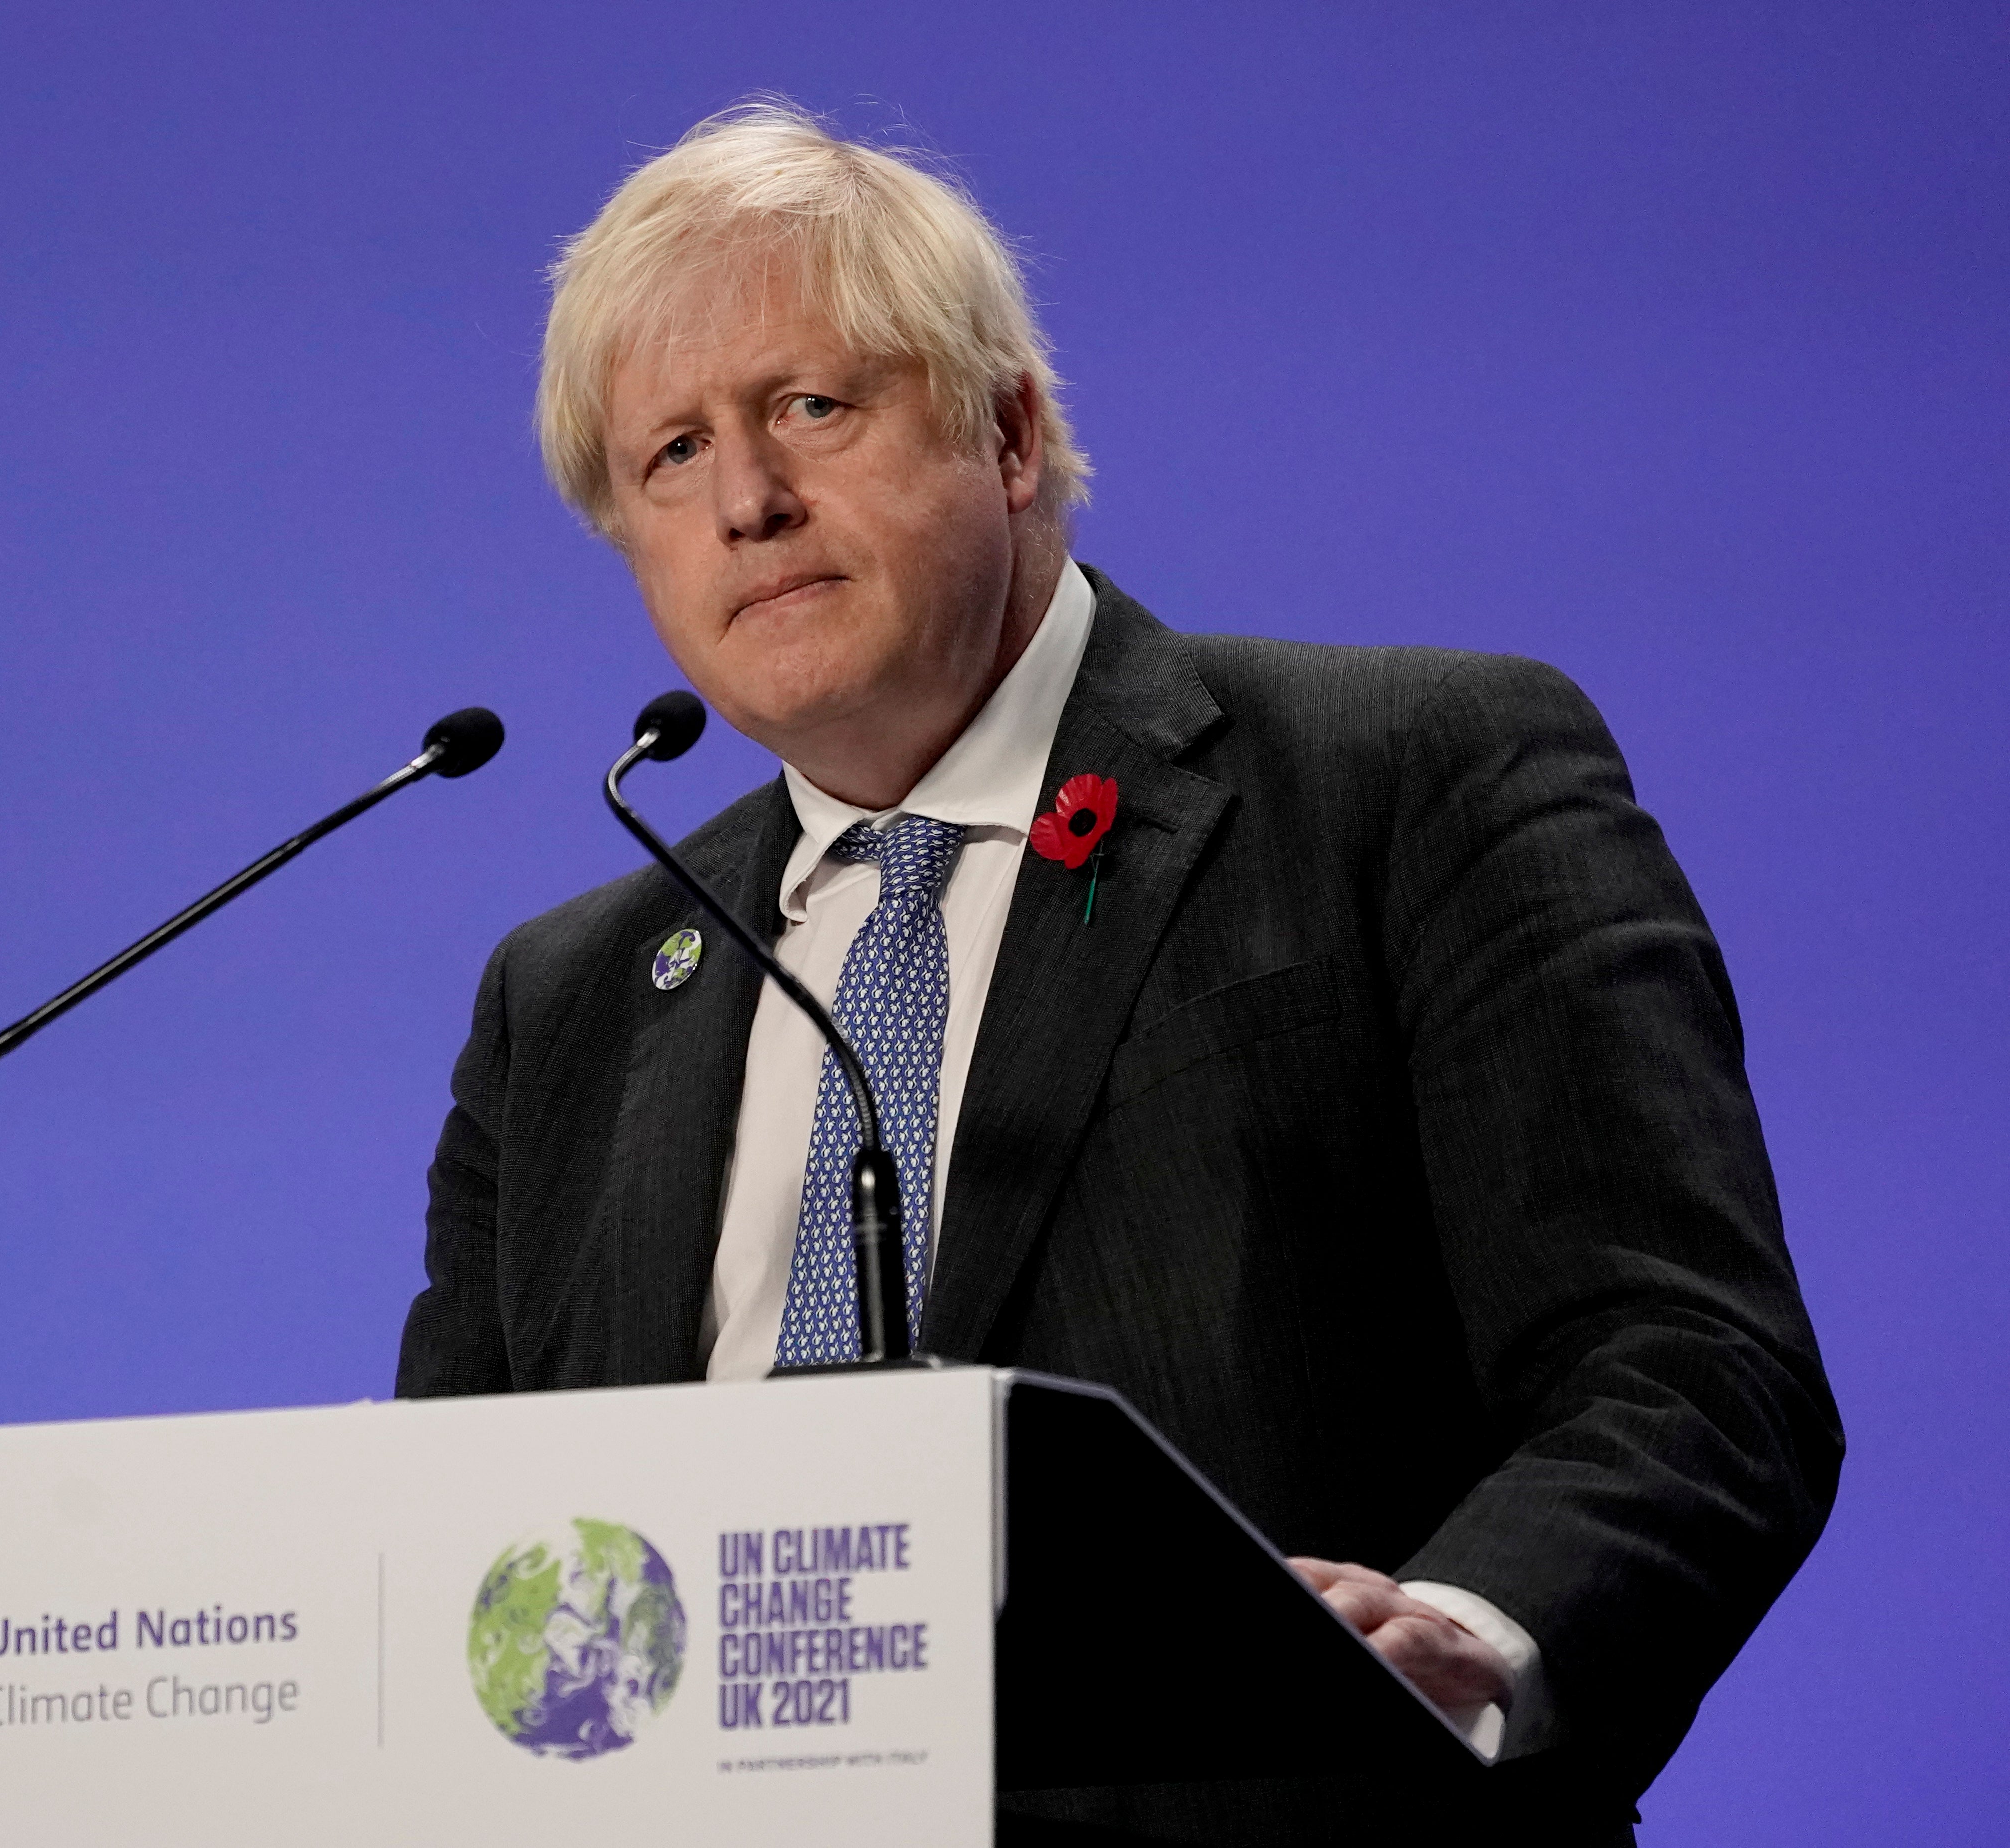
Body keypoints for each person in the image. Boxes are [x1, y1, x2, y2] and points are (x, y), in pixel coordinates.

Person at [395, 103, 1838, 1846]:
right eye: (671, 458)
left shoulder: (1405, 780)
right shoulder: (564, 999)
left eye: (809, 407)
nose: (749, 505)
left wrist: (1456, 1637)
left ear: (1007, 433)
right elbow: (459, 1548)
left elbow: (1685, 1361)